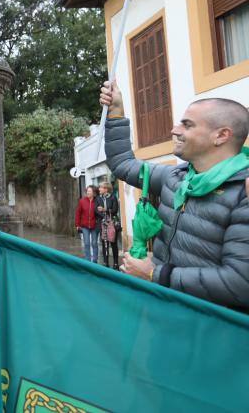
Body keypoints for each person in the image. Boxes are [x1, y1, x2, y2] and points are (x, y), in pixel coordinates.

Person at [100, 81, 249, 311]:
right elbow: (123, 164)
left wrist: (153, 273)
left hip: (208, 329)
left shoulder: (243, 192)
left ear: (221, 136)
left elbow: (240, 284)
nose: (174, 130)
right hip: (163, 311)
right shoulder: (176, 177)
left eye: (187, 125)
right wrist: (117, 111)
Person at [95, 181, 119, 270]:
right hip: (102, 223)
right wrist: (104, 217)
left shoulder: (113, 197)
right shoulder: (98, 198)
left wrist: (104, 210)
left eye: (100, 187)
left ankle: (116, 263)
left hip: (112, 223)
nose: (99, 189)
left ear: (106, 189)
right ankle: (106, 262)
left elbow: (115, 210)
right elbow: (96, 210)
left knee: (113, 243)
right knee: (104, 242)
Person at [75, 185, 99, 264]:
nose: (88, 193)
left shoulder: (97, 201)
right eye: (87, 191)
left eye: (90, 191)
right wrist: (77, 225)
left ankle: (95, 260)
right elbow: (78, 213)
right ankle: (88, 261)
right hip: (84, 226)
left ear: (94, 193)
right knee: (87, 243)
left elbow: (99, 213)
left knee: (94, 243)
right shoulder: (82, 201)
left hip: (94, 225)